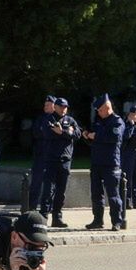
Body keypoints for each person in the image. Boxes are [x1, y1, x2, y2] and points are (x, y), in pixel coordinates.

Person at [80, 93, 127, 231]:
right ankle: (97, 220)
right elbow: (94, 140)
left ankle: (116, 221)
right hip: (97, 162)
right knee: (96, 194)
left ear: (107, 107)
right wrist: (87, 136)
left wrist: (96, 136)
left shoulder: (117, 121)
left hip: (111, 163)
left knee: (113, 195)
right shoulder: (99, 121)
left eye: (100, 110)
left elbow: (114, 137)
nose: (99, 113)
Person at [32, 96, 80, 229]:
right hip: (51, 159)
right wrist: (67, 133)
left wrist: (62, 132)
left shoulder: (70, 120)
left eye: (65, 107)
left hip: (65, 160)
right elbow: (48, 134)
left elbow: (77, 134)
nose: (64, 109)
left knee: (61, 191)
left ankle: (57, 217)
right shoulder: (48, 119)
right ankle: (43, 217)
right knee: (48, 190)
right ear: (56, 107)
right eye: (61, 107)